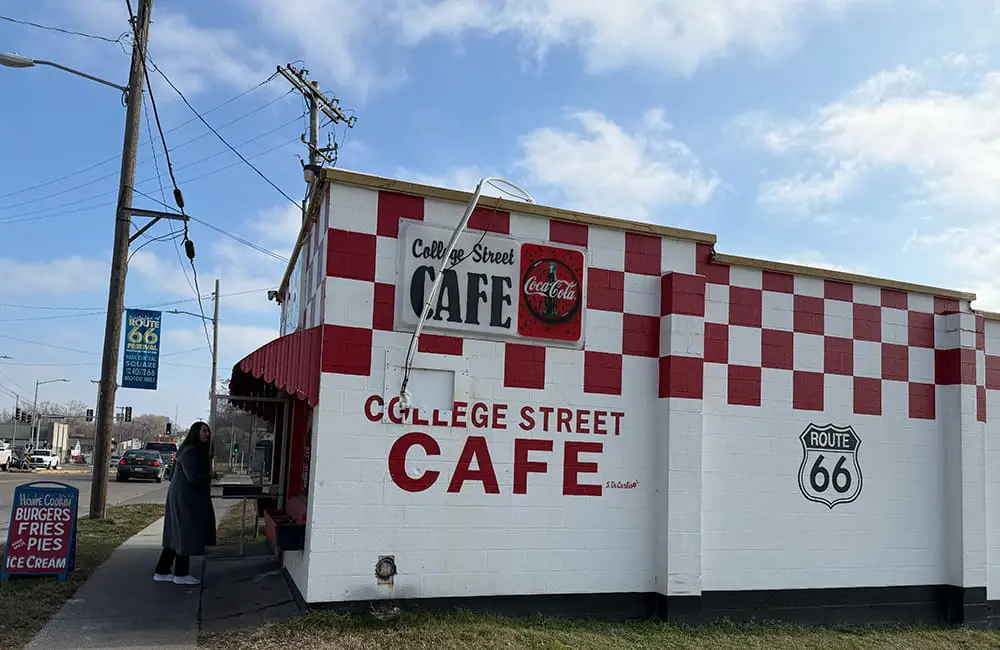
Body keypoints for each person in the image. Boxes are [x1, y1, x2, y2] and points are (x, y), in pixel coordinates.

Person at [153, 421, 218, 585]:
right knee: (185, 532)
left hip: (180, 495)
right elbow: (193, 477)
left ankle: (162, 570)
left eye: (208, 432)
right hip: (186, 498)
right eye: (203, 431)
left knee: (175, 534)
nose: (206, 435)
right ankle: (181, 573)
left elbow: (173, 475)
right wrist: (211, 476)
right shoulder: (191, 452)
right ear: (195, 433)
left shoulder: (186, 449)